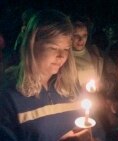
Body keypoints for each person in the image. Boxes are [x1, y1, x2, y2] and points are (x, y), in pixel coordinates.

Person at [0, 9, 105, 141]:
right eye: (53, 48)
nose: (61, 56)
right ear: (33, 45)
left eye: (66, 49)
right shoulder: (9, 98)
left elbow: (98, 132)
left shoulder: (72, 89)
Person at [71, 15, 118, 141]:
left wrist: (103, 84)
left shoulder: (95, 53)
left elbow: (112, 74)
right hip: (75, 105)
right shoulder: (64, 57)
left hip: (98, 102)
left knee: (100, 134)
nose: (80, 39)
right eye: (76, 35)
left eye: (84, 35)